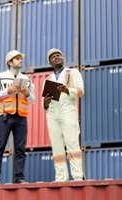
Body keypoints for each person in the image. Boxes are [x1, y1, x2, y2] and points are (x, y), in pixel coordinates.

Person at [0, 50, 36, 184]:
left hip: (21, 117)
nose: (20, 60)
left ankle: (19, 178)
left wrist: (27, 93)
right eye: (17, 58)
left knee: (20, 149)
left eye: (21, 58)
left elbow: (33, 100)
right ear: (10, 62)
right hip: (5, 117)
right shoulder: (0, 77)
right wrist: (6, 91)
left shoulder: (26, 79)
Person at [42, 48, 85, 182]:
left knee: (72, 143)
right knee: (57, 146)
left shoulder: (72, 72)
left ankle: (77, 176)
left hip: (68, 111)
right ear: (50, 62)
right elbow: (44, 106)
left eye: (58, 55)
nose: (56, 57)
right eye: (53, 56)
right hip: (52, 113)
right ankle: (61, 178)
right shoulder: (47, 80)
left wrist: (66, 89)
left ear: (63, 58)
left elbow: (80, 91)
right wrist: (45, 102)